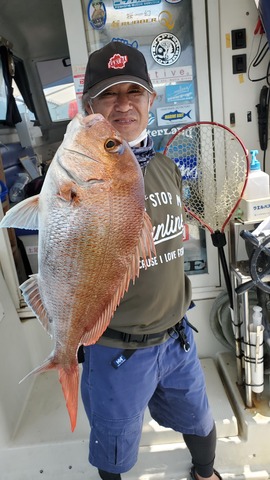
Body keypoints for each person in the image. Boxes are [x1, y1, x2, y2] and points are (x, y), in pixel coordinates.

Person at [81, 41, 222, 480]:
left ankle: (204, 472)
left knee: (200, 422)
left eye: (134, 91)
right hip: (116, 349)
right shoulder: (81, 175)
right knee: (115, 447)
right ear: (90, 105)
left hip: (177, 340)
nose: (123, 104)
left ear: (151, 100)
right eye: (109, 94)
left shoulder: (165, 166)